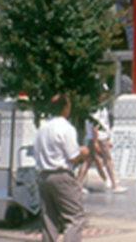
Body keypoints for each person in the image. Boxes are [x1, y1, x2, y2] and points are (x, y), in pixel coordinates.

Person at [34, 93, 89, 242]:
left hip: (43, 175)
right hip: (61, 175)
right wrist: (82, 152)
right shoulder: (66, 128)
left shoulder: (42, 128)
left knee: (49, 218)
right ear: (65, 108)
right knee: (74, 217)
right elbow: (73, 156)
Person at [77, 86, 126, 193]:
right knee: (108, 159)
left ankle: (78, 184)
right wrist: (95, 142)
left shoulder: (99, 106)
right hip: (99, 137)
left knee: (88, 160)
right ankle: (114, 184)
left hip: (101, 136)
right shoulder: (95, 108)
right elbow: (94, 125)